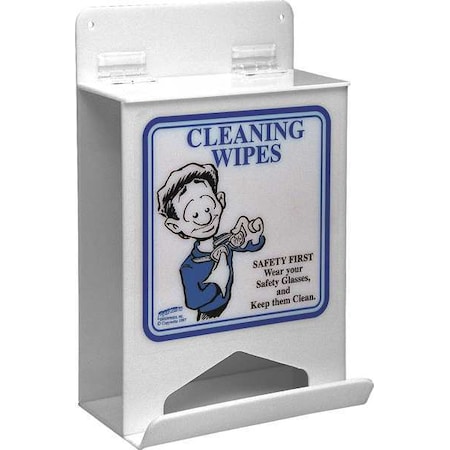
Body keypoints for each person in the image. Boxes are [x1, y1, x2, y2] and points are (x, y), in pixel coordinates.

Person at [157, 163, 265, 320]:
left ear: (220, 200)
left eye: (208, 208)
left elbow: (249, 246)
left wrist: (253, 236)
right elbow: (193, 302)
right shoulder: (189, 267)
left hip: (233, 311)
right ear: (175, 225)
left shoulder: (224, 242)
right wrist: (216, 284)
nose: (205, 218)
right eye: (194, 214)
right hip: (209, 316)